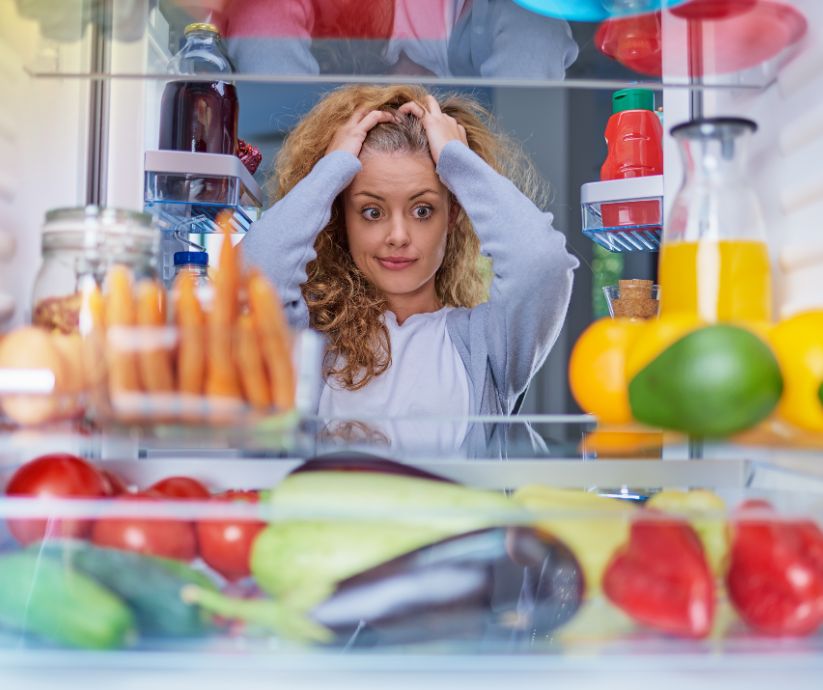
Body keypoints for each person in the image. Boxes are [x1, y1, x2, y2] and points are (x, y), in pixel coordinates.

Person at [242, 84, 578, 439]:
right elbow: (252, 274)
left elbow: (542, 263)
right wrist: (331, 171)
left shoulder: (486, 346)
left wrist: (457, 159)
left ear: (453, 215)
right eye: (372, 211)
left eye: (422, 210)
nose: (398, 235)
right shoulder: (313, 342)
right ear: (341, 219)